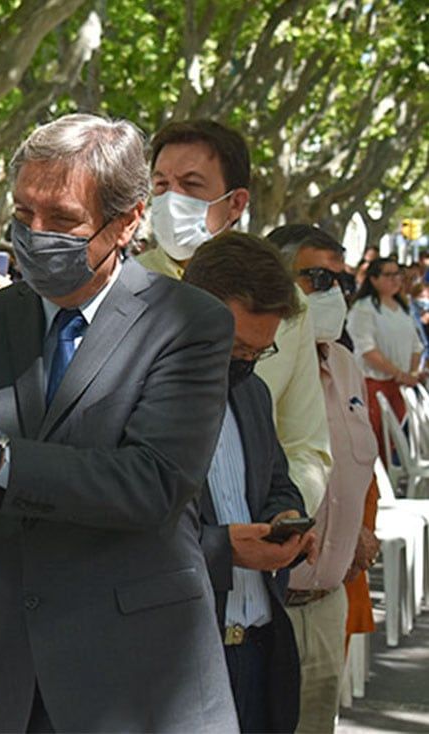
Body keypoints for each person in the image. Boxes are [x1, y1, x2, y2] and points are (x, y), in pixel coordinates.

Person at [0, 113, 238, 731]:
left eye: (61, 219)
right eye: (24, 213)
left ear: (128, 220)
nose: (35, 234)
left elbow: (151, 483)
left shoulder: (189, 323)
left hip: (135, 681)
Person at [138, 118, 332, 519]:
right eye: (161, 185)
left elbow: (305, 444)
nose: (171, 200)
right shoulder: (123, 294)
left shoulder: (286, 305)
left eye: (191, 185)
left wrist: (281, 516)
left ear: (237, 203)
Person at [182, 233, 313, 733]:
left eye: (260, 351)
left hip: (259, 651)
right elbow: (124, 529)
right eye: (235, 347)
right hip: (185, 662)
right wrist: (223, 549)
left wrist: (285, 517)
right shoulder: (139, 396)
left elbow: (277, 481)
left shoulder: (253, 393)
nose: (244, 363)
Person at [270, 224, 377, 733]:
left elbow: (356, 470)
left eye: (343, 281)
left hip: (328, 601)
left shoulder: (346, 365)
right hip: (266, 605)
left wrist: (358, 527)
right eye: (316, 278)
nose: (333, 292)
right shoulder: (253, 362)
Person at [346, 257, 422, 456]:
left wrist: (412, 373)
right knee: (374, 443)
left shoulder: (402, 308)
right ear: (373, 279)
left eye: (397, 274)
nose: (395, 279)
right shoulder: (363, 308)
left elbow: (416, 345)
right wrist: (399, 373)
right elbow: (367, 350)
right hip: (374, 385)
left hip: (400, 386)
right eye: (388, 275)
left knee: (394, 444)